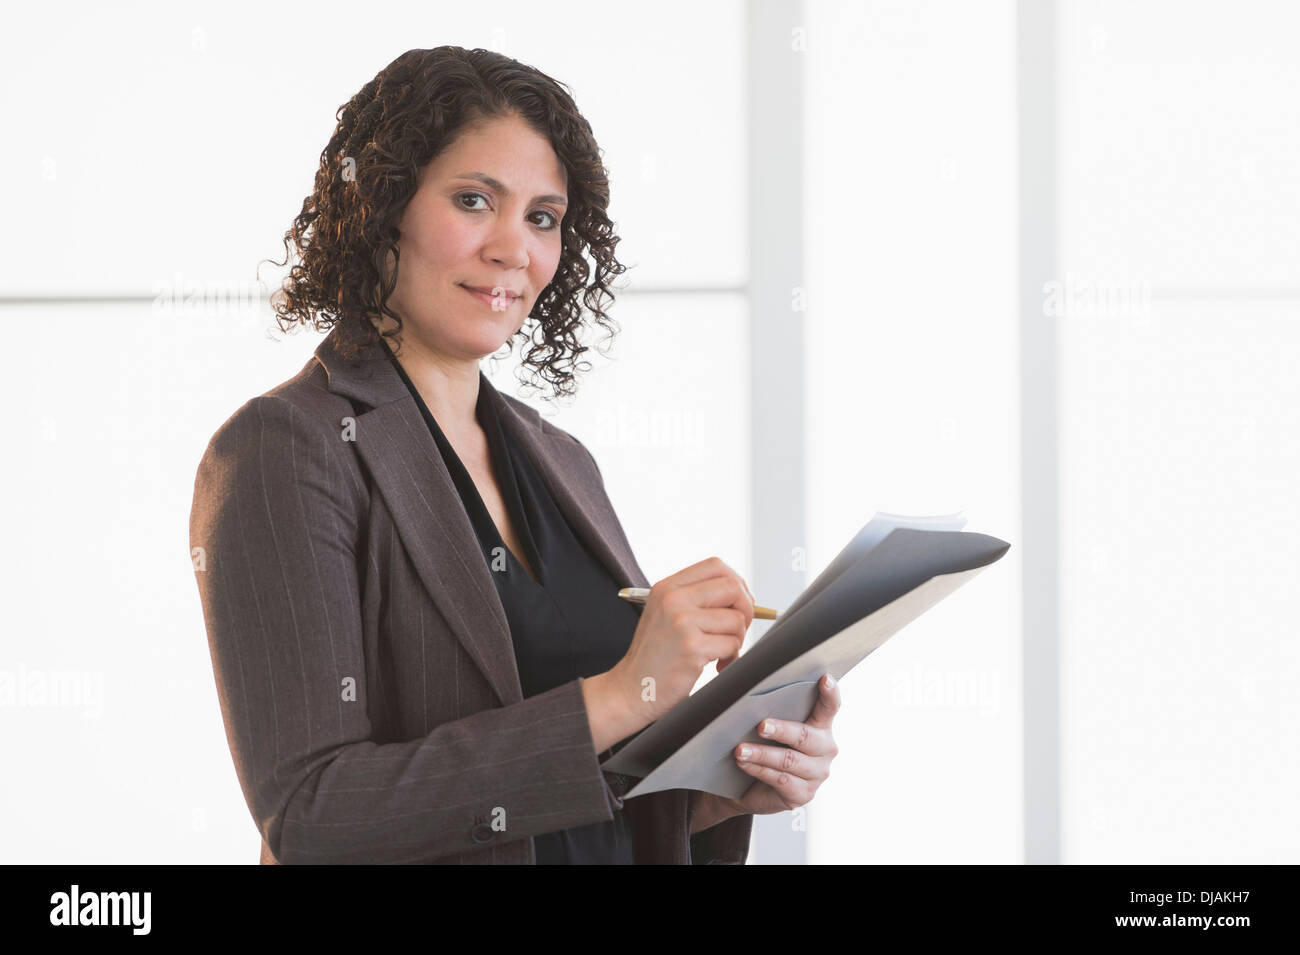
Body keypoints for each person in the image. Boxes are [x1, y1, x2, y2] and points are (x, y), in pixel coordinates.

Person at [189, 46, 840, 864]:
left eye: (543, 217)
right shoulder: (286, 448)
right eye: (473, 201)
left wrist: (719, 791)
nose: (513, 249)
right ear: (382, 207)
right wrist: (621, 691)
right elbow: (313, 814)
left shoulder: (559, 459)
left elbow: (574, 793)